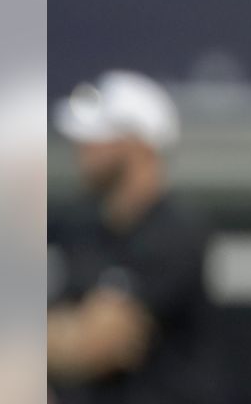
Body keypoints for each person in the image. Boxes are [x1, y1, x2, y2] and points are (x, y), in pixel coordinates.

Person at [48, 70, 221, 404]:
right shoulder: (80, 227)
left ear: (136, 144)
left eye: (98, 135)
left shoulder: (175, 231)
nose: (82, 146)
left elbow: (96, 344)